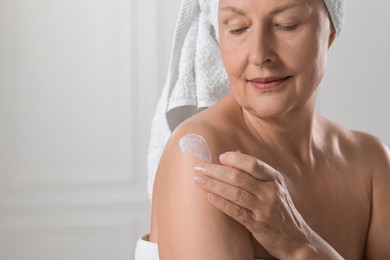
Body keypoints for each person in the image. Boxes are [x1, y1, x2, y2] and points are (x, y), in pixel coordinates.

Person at [136, 0, 390, 259]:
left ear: (329, 34)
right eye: (237, 28)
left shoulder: (371, 163)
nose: (259, 55)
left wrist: (300, 244)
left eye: (285, 25)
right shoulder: (202, 159)